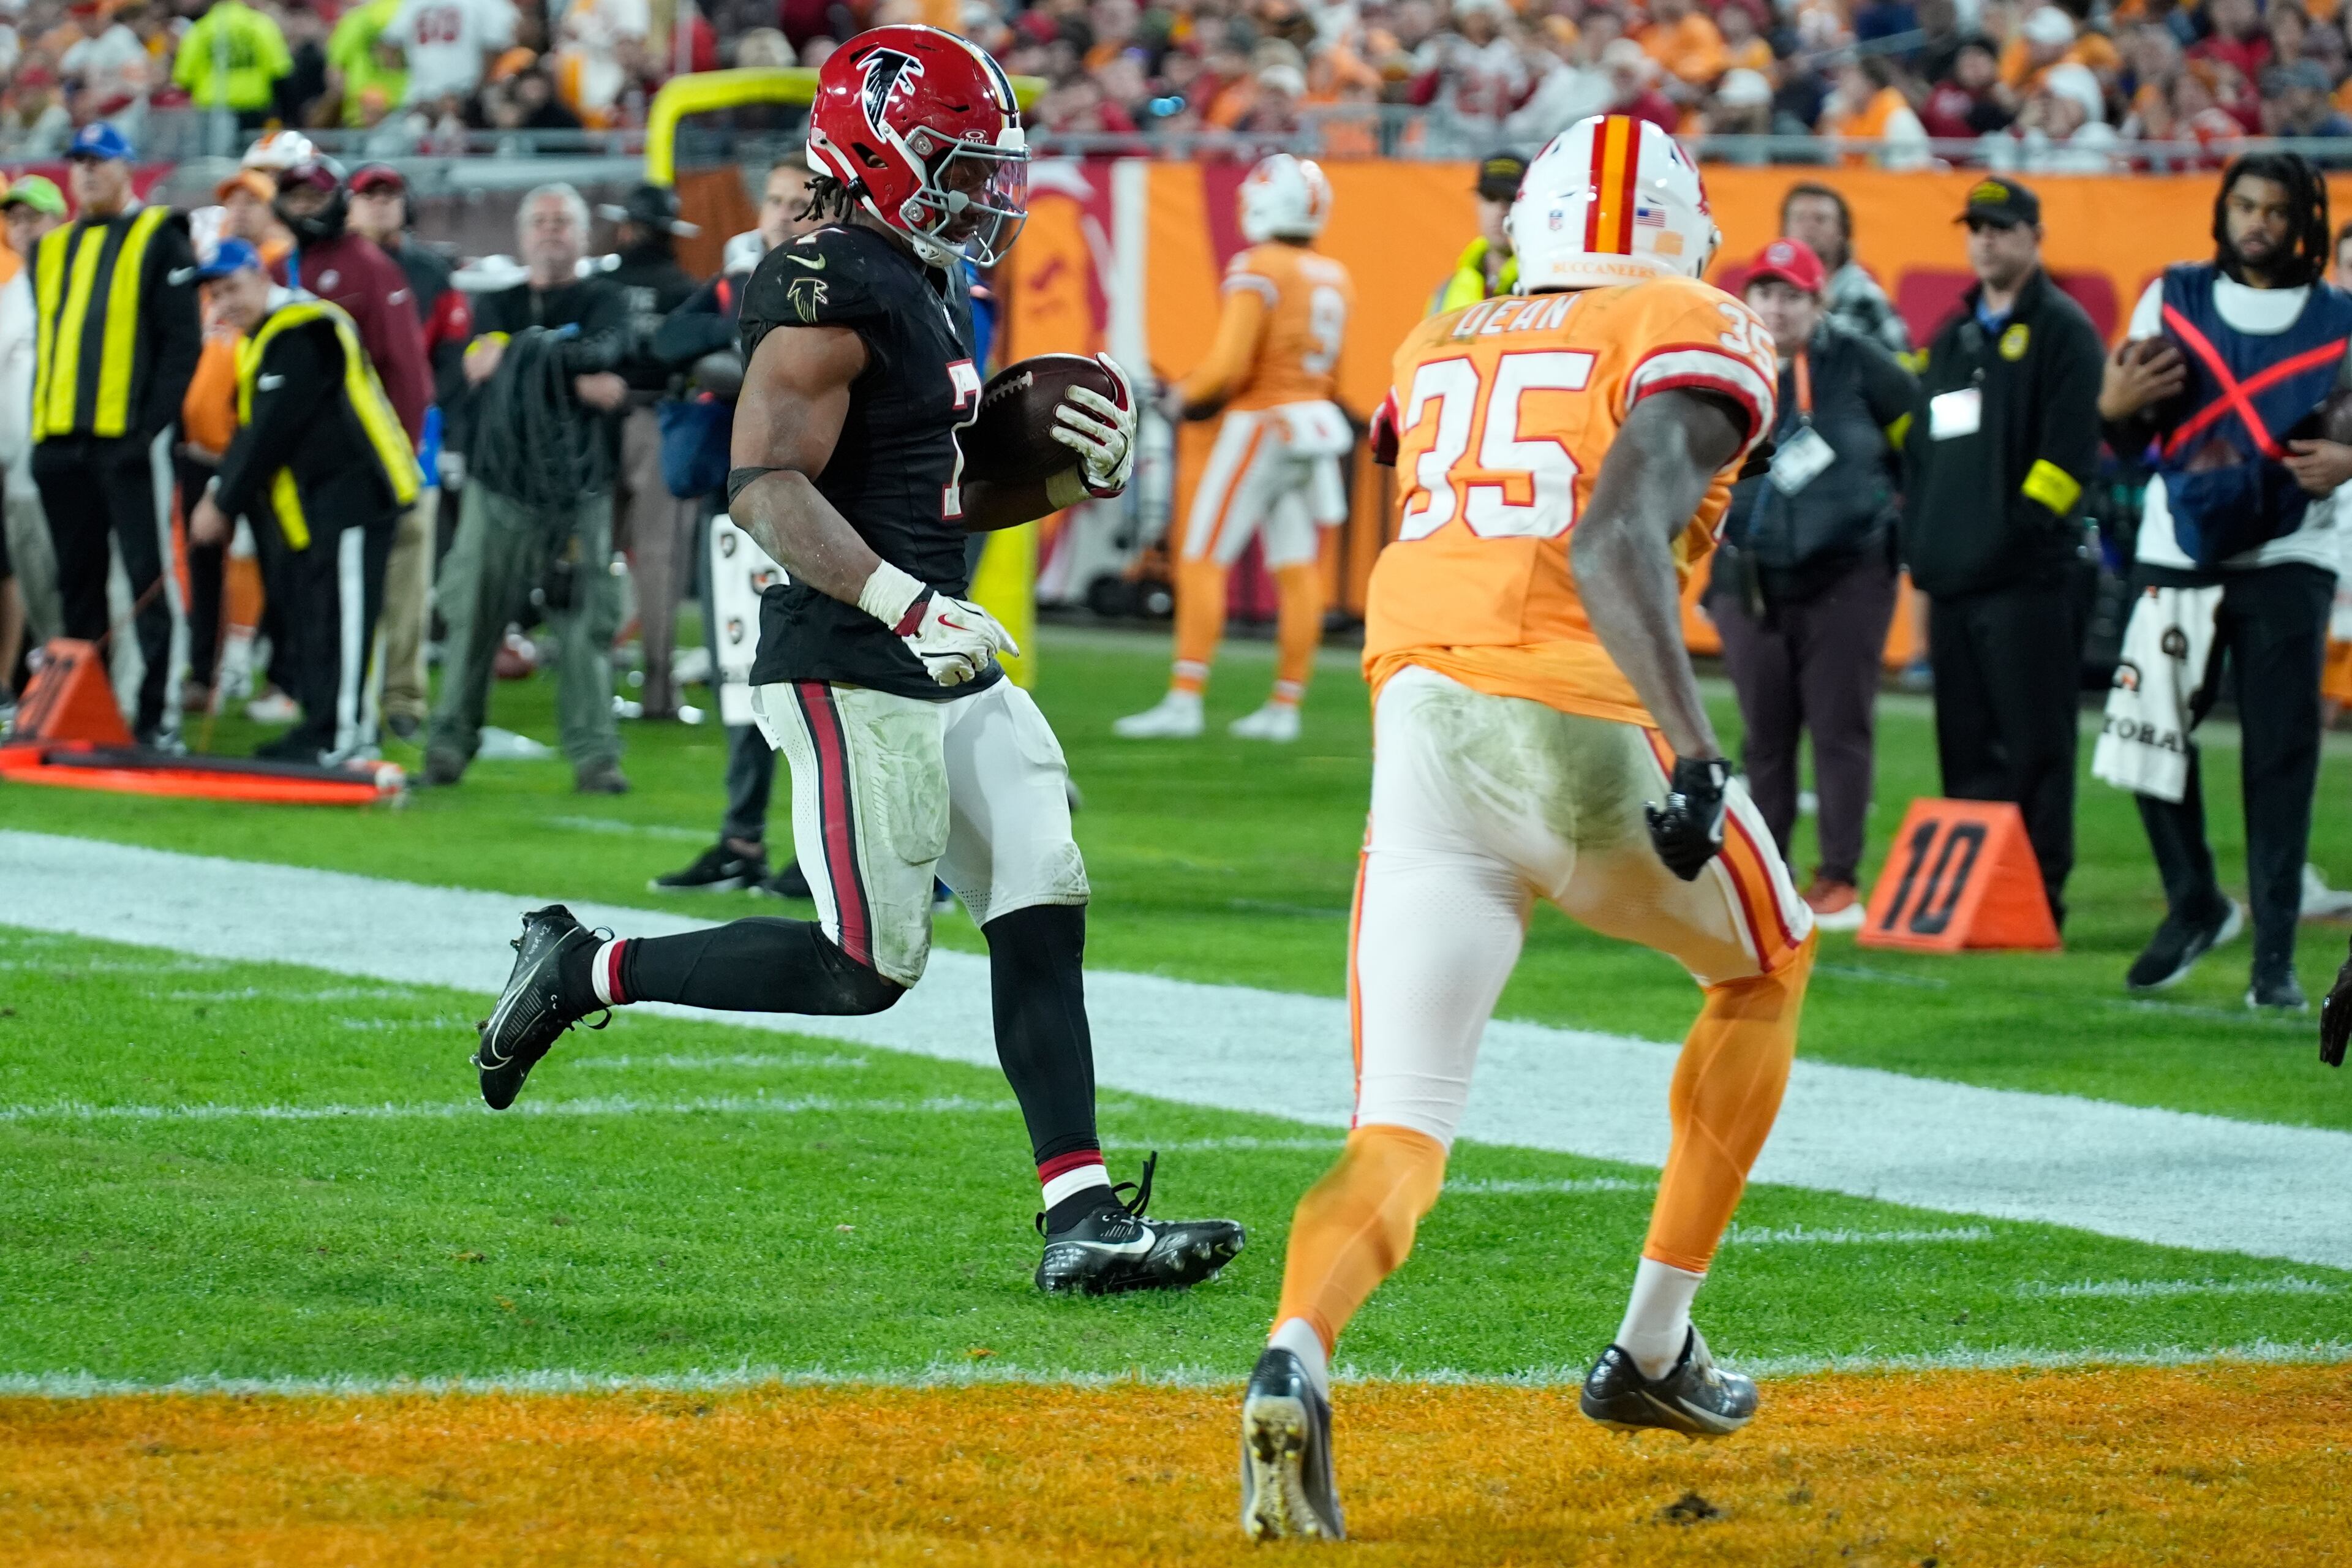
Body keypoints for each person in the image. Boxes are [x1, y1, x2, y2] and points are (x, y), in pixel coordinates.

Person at [467, 26, 1244, 1297]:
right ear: (873, 148)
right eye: (954, 162)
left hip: (932, 639)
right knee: (863, 969)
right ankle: (583, 966)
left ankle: (1082, 1215)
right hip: (848, 652)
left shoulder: (914, 275)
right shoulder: (826, 271)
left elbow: (923, 490)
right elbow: (763, 485)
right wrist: (900, 600)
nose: (982, 191)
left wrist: (1047, 479)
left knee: (1041, 904)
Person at [1238, 115, 1815, 1542]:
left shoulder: (1438, 338)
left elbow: (1423, 500)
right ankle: (1655, 1344)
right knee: (1765, 964)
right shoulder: (1690, 317)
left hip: (1421, 723)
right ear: (1679, 229)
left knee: (1398, 1128)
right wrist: (1687, 749)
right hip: (1571, 708)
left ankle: (1293, 1350)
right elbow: (1613, 537)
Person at [2094, 153, 2352, 1010]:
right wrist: (2112, 411)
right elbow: (2128, 431)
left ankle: (2273, 961)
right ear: (2221, 209)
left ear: (2304, 223)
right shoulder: (2170, 295)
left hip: (2293, 557)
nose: (2258, 224)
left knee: (2282, 761)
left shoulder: (2342, 317)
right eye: (2243, 205)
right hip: (2179, 545)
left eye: (2277, 212)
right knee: (2141, 737)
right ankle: (2196, 900)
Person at [1901, 177, 2105, 930]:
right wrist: (1925, 540)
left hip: (2029, 583)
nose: (1985, 240)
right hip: (1955, 581)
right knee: (1966, 749)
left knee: (2034, 746)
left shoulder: (2064, 331)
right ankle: (1977, 896)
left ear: (2033, 237)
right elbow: (1927, 453)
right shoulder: (1951, 336)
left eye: (2001, 227)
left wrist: (2015, 532)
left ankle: (2040, 897)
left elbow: (2068, 460)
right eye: (1976, 228)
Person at [1711, 238, 1917, 931]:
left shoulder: (1857, 362)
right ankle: (1768, 874)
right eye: (1765, 293)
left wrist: (1900, 525)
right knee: (1764, 735)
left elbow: (1920, 439)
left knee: (1838, 728)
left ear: (1818, 301)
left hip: (1847, 574)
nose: (1776, 307)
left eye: (1792, 295)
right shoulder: (1722, 369)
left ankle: (1838, 877)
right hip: (1749, 576)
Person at [1116, 154, 1355, 744]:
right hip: (1312, 424)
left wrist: (1182, 396)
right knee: (1296, 565)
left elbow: (1228, 367)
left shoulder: (1260, 267)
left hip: (1261, 424)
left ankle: (1185, 698)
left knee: (1201, 555)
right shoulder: (1333, 275)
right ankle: (1285, 705)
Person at [426, 183, 633, 794]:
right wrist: (568, 368)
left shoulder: (606, 299)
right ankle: (447, 746)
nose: (549, 230)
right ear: (521, 236)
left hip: (581, 496)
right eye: (539, 220)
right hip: (499, 490)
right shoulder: (495, 306)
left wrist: (520, 364)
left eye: (561, 221)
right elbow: (477, 367)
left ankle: (596, 757)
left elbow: (614, 363)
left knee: (586, 627)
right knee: (471, 619)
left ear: (583, 234)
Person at [652, 158, 823, 895]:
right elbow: (667, 342)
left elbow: (772, 370)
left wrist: (724, 362)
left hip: (822, 510)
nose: (781, 215)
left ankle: (835, 842)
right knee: (741, 677)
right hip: (742, 507)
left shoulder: (832, 286)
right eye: (775, 200)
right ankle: (742, 839)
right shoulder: (744, 278)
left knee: (815, 680)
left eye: (799, 203)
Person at [187, 239, 422, 764]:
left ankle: (343, 734)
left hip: (355, 493)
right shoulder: (267, 335)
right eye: (217, 295)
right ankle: (321, 727)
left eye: (233, 288)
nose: (226, 303)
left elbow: (272, 427)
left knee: (345, 618)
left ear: (260, 276)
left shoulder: (304, 327)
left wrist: (221, 500)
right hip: (318, 503)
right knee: (320, 615)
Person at [28, 123, 201, 748]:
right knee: (75, 583)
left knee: (147, 578)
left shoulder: (161, 236)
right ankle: (85, 713)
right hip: (59, 441)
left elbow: (183, 345)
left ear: (127, 168)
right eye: (78, 161)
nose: (88, 171)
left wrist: (148, 429)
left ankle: (158, 716)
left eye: (100, 160)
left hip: (126, 442)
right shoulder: (50, 251)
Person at [347, 161, 471, 743]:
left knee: (408, 572)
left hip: (411, 440)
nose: (379, 205)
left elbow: (451, 360)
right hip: (347, 443)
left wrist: (425, 422)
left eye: (388, 196)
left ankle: (401, 695)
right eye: (368, 196)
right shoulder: (332, 265)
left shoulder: (429, 273)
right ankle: (347, 689)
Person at [598, 181, 703, 722]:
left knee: (595, 554)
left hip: (597, 423)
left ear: (627, 227)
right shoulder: (685, 289)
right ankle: (659, 694)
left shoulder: (601, 284)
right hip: (661, 419)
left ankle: (589, 688)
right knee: (659, 559)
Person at [1, 175, 64, 660]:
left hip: (61, 454)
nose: (23, 228)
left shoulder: (70, 279)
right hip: (14, 465)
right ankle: (49, 663)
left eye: (33, 218)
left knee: (64, 570)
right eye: (14, 218)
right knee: (29, 570)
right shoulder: (13, 287)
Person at [1779, 182, 1911, 355]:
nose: (1808, 226)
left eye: (1820, 219)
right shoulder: (1773, 295)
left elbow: (1902, 362)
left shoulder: (1865, 295)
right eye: (1799, 217)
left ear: (1842, 232)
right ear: (1784, 229)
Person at [1430, 151, 1524, 314]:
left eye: (1510, 198)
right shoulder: (1446, 292)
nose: (1500, 210)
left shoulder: (1546, 285)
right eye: (1490, 198)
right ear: (1478, 203)